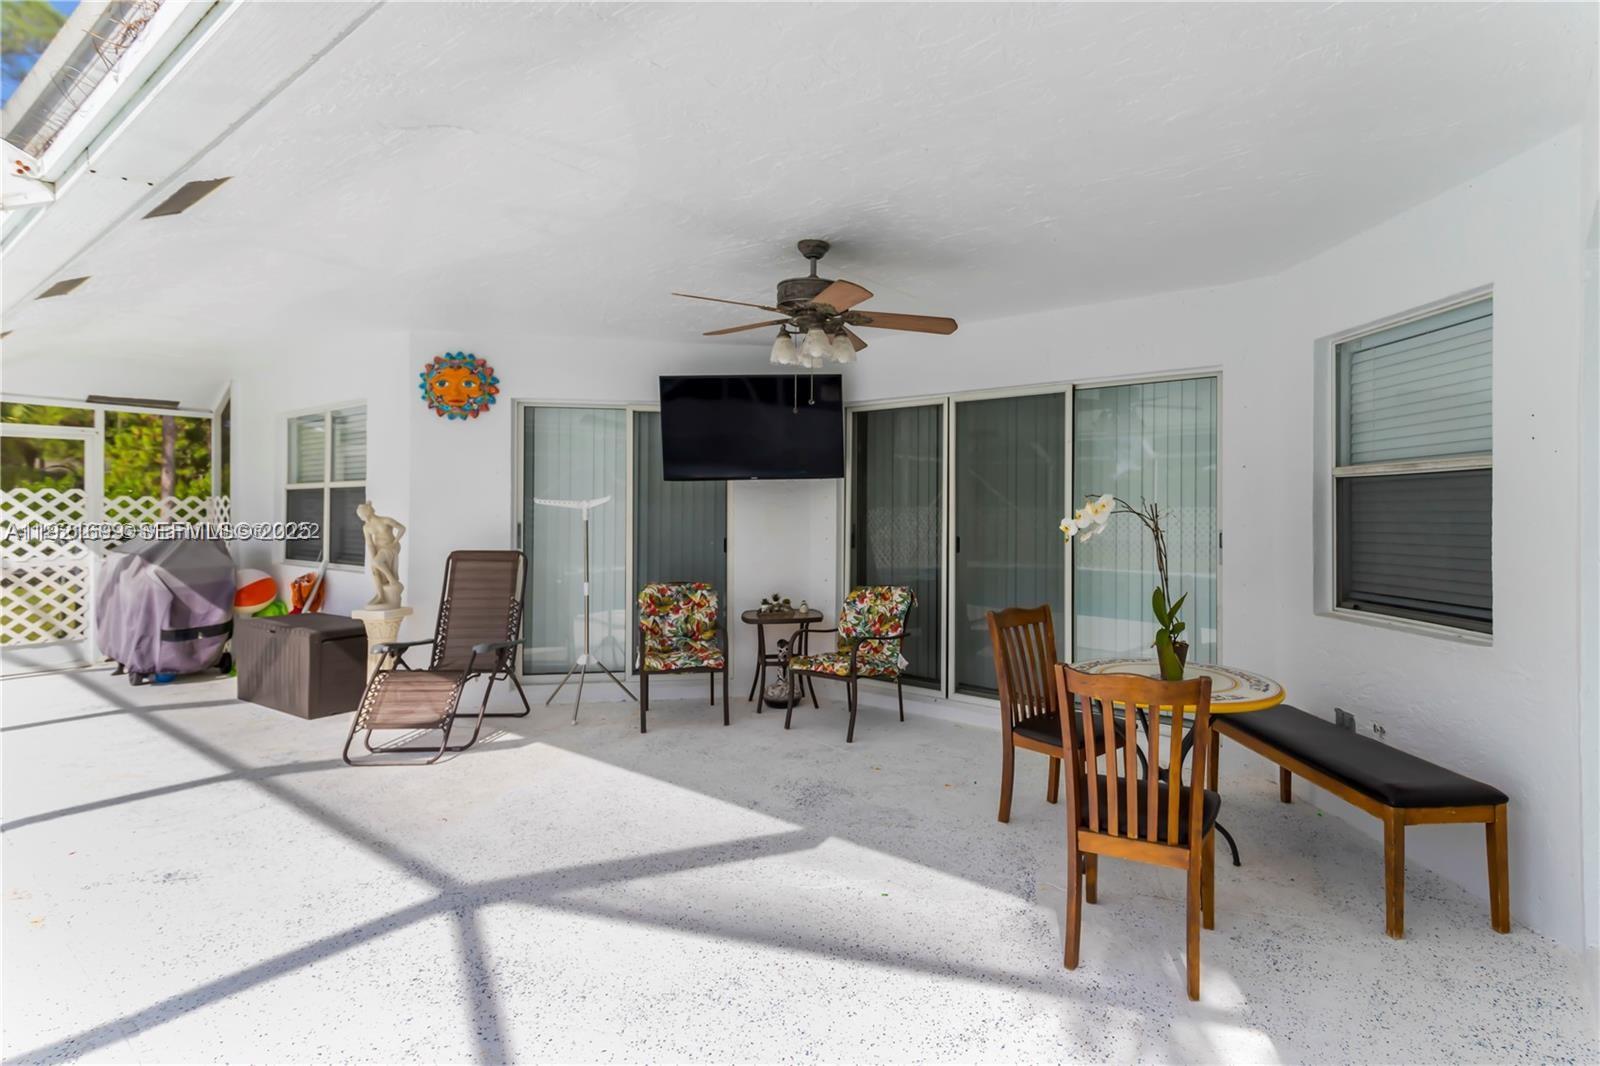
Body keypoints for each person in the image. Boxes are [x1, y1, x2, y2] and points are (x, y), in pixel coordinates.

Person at [355, 500, 405, 608]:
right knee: (374, 568)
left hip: (391, 547)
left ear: (367, 513)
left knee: (377, 562)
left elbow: (402, 528)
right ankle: (380, 595)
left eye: (361, 515)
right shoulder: (366, 527)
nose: (361, 518)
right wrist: (373, 558)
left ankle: (392, 580)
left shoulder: (385, 520)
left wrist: (395, 542)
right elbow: (370, 543)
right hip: (379, 549)